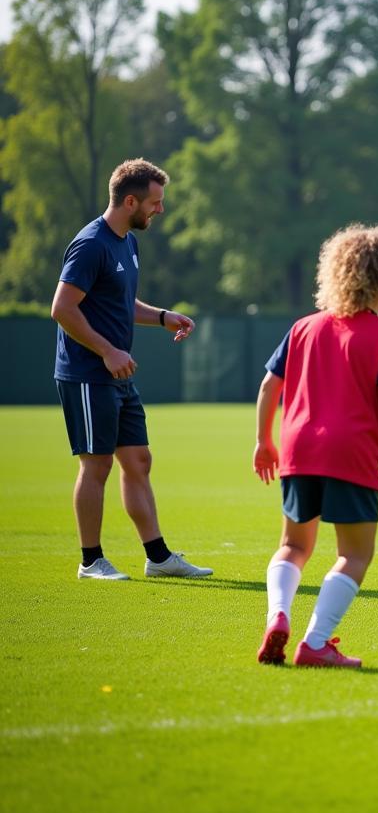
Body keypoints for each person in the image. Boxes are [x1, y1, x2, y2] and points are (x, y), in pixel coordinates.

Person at [253, 224, 378, 668]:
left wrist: (263, 441)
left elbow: (268, 387)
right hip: (349, 454)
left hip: (298, 449)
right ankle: (314, 642)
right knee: (354, 554)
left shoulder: (302, 328)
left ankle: (278, 615)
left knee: (293, 546)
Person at [51, 158, 211, 582]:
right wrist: (107, 351)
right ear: (129, 200)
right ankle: (91, 561)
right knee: (96, 465)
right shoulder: (92, 244)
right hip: (87, 371)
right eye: (155, 202)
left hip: (117, 373)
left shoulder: (127, 242)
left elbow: (121, 303)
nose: (159, 209)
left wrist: (162, 317)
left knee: (138, 460)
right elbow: (62, 309)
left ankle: (158, 558)